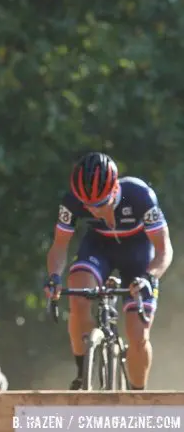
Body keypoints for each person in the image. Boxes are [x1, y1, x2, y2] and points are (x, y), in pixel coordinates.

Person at [43, 152, 173, 390]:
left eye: (101, 204)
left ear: (115, 189)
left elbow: (164, 250)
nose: (95, 212)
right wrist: (54, 278)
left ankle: (137, 395)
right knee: (78, 293)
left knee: (137, 334)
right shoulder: (72, 201)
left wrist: (149, 277)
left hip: (138, 254)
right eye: (88, 206)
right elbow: (59, 245)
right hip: (99, 247)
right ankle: (83, 373)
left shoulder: (140, 195)